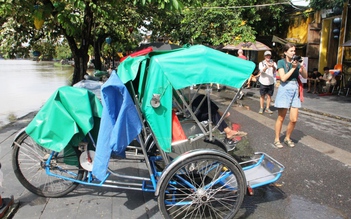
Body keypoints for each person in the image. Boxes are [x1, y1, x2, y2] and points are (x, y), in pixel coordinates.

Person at [273, 43, 307, 148]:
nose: (293, 53)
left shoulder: (297, 63)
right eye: (291, 51)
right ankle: (277, 139)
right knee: (281, 117)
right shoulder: (281, 62)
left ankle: (287, 138)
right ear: (285, 52)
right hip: (285, 88)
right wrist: (293, 68)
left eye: (294, 51)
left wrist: (301, 67)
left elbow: (305, 76)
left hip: (295, 89)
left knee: (294, 119)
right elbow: (283, 78)